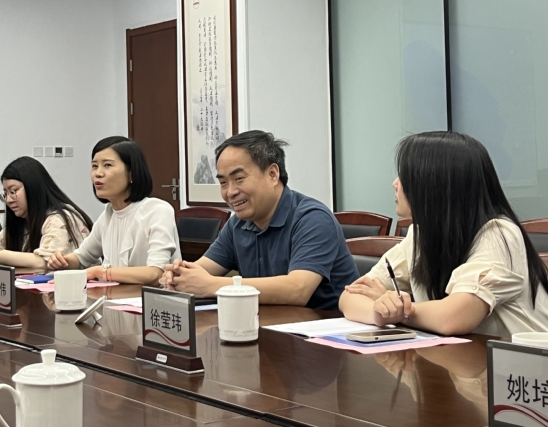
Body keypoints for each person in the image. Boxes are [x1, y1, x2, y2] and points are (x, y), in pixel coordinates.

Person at [339, 131, 548, 337]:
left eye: (406, 176)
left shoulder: (499, 234)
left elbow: (454, 318)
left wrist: (400, 310)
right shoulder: (420, 235)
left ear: (435, 184)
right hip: (458, 355)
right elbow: (350, 297)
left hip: (522, 358)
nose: (395, 183)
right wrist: (379, 312)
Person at [163, 130, 358, 309]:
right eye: (223, 182)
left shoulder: (312, 218)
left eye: (239, 179)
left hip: (321, 330)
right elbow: (202, 270)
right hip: (265, 325)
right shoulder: (237, 224)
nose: (230, 192)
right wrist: (178, 276)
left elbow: (298, 289)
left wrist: (212, 285)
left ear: (273, 174)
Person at [47, 136, 180, 285]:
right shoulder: (108, 214)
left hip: (152, 299)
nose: (98, 173)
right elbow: (82, 257)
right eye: (94, 166)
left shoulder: (157, 211)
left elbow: (156, 273)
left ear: (131, 173)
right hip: (117, 297)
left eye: (107, 165)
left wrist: (101, 272)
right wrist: (62, 261)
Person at [0, 156, 92, 269]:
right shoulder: (22, 220)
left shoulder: (59, 218)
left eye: (13, 191)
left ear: (33, 188)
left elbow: (43, 261)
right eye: (5, 193)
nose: (8, 200)